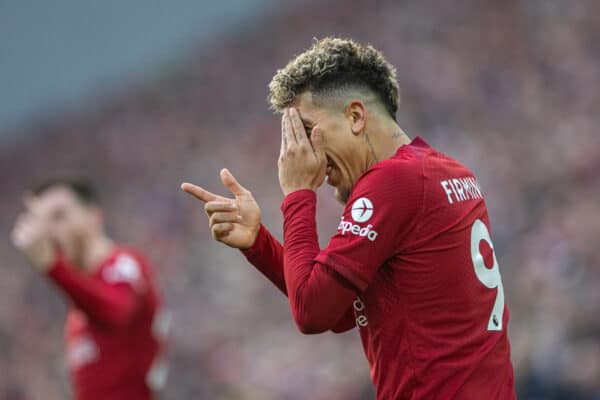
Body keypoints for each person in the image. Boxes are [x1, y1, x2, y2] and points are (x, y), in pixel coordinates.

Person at [181, 37, 515, 399]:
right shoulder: (449, 172)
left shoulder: (393, 182)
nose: (305, 153)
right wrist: (258, 243)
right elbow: (340, 308)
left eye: (307, 133)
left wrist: (297, 194)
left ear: (355, 117)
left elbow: (313, 311)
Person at [11, 176, 168, 400]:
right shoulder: (82, 303)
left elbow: (117, 313)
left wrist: (52, 265)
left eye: (59, 216)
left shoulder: (125, 265)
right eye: (43, 222)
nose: (51, 231)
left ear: (94, 216)